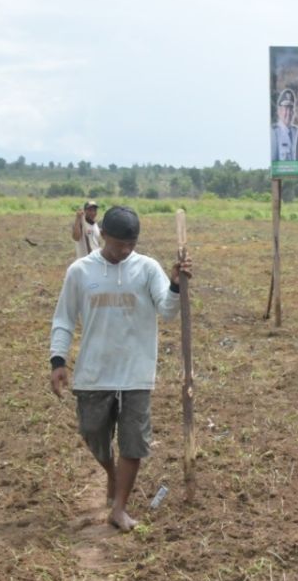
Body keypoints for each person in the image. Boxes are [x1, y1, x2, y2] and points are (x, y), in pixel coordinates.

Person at [49, 205, 191, 532]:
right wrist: (58, 360)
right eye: (117, 245)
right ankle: (111, 473)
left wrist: (175, 284)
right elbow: (64, 318)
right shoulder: (80, 271)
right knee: (92, 432)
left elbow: (168, 311)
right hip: (94, 371)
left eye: (131, 244)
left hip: (136, 372)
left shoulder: (147, 268)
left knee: (133, 441)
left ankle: (120, 507)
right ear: (103, 237)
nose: (124, 251)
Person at [271, 88, 298, 162]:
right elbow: (273, 163)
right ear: (279, 111)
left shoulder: (297, 132)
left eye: (291, 109)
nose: (288, 113)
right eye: (285, 109)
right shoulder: (274, 133)